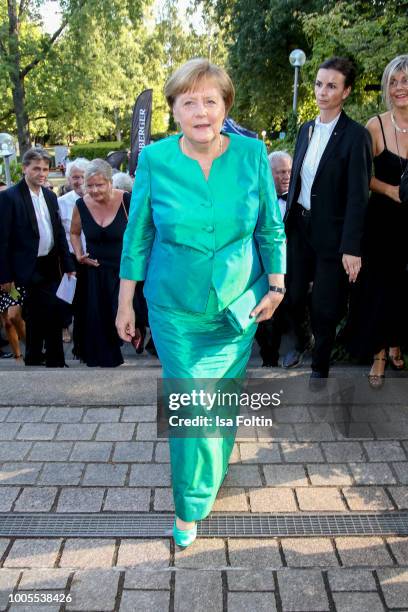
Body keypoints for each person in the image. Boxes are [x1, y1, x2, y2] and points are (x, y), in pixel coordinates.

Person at [116, 58, 286, 547]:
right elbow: (138, 235)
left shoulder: (253, 155)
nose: (200, 110)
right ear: (173, 110)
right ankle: (189, 506)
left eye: (210, 100)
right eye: (188, 101)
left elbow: (269, 228)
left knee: (222, 400)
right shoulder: (155, 161)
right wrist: (126, 304)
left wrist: (276, 287)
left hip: (238, 306)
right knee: (192, 400)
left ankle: (211, 467)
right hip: (175, 308)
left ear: (225, 106)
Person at [285, 56, 372, 384]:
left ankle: (319, 366)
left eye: (332, 86)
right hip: (300, 228)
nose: (323, 91)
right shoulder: (306, 129)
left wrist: (351, 246)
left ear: (346, 92)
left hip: (333, 237)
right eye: (319, 84)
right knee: (292, 296)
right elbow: (298, 179)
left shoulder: (356, 136)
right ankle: (302, 338)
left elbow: (358, 197)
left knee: (324, 306)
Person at [347, 55, 408, 388]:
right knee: (381, 289)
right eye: (394, 81)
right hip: (383, 221)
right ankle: (380, 354)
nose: (400, 87)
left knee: (404, 289)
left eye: (405, 80)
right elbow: (361, 176)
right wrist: (390, 190)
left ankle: (398, 342)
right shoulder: (376, 125)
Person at [0, 148, 75, 367]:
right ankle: (51, 360)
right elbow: (2, 239)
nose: (42, 173)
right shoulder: (9, 197)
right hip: (25, 268)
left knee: (45, 312)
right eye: (36, 169)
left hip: (50, 264)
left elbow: (59, 233)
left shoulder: (51, 196)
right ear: (25, 169)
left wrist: (68, 264)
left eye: (45, 169)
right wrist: (4, 276)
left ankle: (39, 357)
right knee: (39, 313)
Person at [70, 159, 147, 367]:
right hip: (95, 273)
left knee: (129, 313)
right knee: (101, 325)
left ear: (110, 182)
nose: (94, 190)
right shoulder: (81, 205)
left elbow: (144, 232)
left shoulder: (127, 201)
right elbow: (74, 233)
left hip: (126, 272)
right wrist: (79, 254)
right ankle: (108, 365)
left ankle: (136, 332)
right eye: (90, 185)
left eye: (99, 184)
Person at [255, 151, 293, 367]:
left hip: (293, 266)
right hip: (264, 267)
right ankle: (268, 355)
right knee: (266, 317)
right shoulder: (258, 198)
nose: (286, 176)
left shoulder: (300, 199)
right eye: (280, 172)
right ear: (270, 174)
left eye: (288, 171)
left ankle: (278, 355)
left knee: (286, 311)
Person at [58, 158, 89, 347]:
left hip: (92, 257)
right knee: (67, 297)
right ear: (69, 179)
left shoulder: (96, 199)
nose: (78, 181)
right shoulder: (62, 202)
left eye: (82, 177)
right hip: (70, 258)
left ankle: (85, 330)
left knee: (87, 298)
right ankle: (64, 327)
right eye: (74, 177)